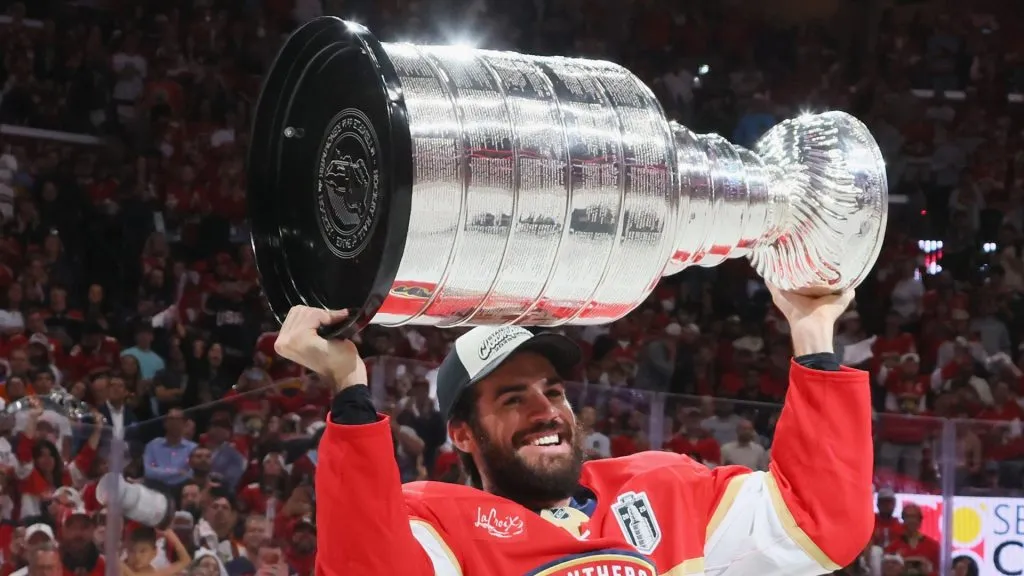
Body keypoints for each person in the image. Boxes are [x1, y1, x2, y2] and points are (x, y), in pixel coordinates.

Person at [275, 285, 874, 575]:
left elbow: (820, 523)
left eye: (554, 391)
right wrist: (350, 388)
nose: (546, 411)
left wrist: (813, 333)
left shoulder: (665, 491)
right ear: (460, 434)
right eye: (513, 398)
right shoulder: (441, 528)